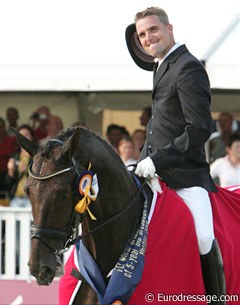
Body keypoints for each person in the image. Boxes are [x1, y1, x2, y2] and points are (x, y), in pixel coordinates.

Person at [125, 7, 225, 302]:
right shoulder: (161, 65)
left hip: (185, 174)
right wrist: (141, 160)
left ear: (170, 28)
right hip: (153, 173)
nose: (147, 38)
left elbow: (199, 129)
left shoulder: (188, 66)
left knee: (205, 237)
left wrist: (157, 160)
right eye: (142, 34)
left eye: (153, 30)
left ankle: (216, 299)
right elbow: (160, 125)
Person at [6, 124, 37, 207]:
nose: (23, 138)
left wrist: (27, 170)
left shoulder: (36, 157)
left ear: (32, 137)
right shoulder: (14, 157)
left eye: (26, 135)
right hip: (15, 199)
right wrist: (10, 171)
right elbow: (8, 184)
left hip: (31, 199)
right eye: (20, 136)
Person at [0, 117, 18, 195]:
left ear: (4, 127)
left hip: (8, 173)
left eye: (1, 126)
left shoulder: (12, 140)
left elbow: (16, 155)